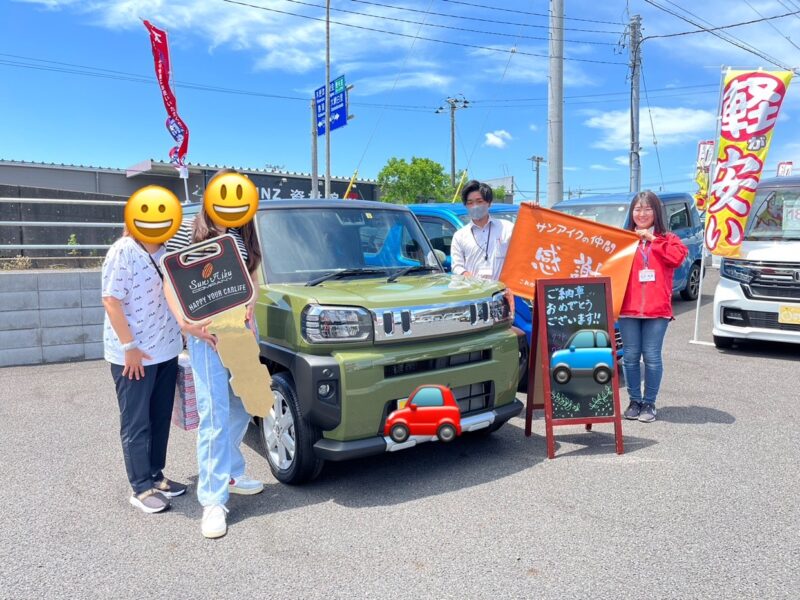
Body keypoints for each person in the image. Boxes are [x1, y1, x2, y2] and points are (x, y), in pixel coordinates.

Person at [165, 187, 264, 539]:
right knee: (215, 413)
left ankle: (230, 470)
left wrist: (251, 300)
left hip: (242, 331)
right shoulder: (188, 230)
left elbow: (251, 278)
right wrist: (185, 323)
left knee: (247, 404)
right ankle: (213, 500)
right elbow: (170, 279)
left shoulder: (241, 232)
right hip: (206, 336)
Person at [102, 227, 195, 513]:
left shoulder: (170, 252)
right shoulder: (123, 250)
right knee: (136, 421)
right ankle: (141, 486)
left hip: (166, 350)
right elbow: (111, 299)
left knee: (158, 417)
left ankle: (156, 474)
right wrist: (128, 346)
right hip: (133, 355)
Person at [619, 190, 688, 423]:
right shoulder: (623, 238)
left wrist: (652, 239)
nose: (642, 213)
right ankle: (634, 401)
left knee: (652, 357)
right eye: (637, 208)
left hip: (657, 310)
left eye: (647, 208)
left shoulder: (667, 239)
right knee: (629, 357)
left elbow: (677, 258)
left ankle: (649, 403)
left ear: (656, 212)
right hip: (627, 308)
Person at [450, 180, 515, 282]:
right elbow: (457, 266)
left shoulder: (507, 228)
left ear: (489, 203)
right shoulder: (460, 236)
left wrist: (534, 212)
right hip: (474, 293)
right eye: (470, 203)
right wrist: (469, 278)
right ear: (466, 205)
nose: (475, 206)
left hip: (502, 292)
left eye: (479, 201)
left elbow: (524, 251)